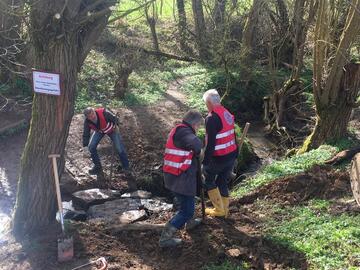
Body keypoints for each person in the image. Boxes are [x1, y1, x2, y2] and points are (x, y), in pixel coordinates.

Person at [159, 110, 203, 248]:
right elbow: (196, 144)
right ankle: (165, 238)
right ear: (194, 124)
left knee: (186, 203)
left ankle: (189, 223)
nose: (198, 128)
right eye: (198, 126)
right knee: (187, 210)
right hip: (180, 178)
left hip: (175, 176)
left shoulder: (179, 130)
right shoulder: (184, 132)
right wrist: (200, 151)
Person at [202, 89, 238, 218]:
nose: (206, 106)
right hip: (231, 154)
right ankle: (225, 210)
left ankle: (219, 210)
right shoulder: (226, 113)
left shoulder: (211, 118)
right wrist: (236, 153)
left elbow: (210, 143)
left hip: (219, 157)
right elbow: (233, 134)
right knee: (222, 181)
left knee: (209, 179)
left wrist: (205, 162)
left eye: (206, 104)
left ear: (209, 103)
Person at [82, 107, 130, 175]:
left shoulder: (104, 113)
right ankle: (98, 167)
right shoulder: (87, 121)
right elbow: (86, 134)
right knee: (91, 146)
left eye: (92, 114)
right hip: (100, 131)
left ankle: (126, 167)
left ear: (94, 111)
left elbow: (115, 119)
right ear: (87, 117)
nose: (92, 117)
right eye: (89, 116)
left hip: (112, 130)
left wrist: (116, 126)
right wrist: (85, 146)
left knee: (120, 148)